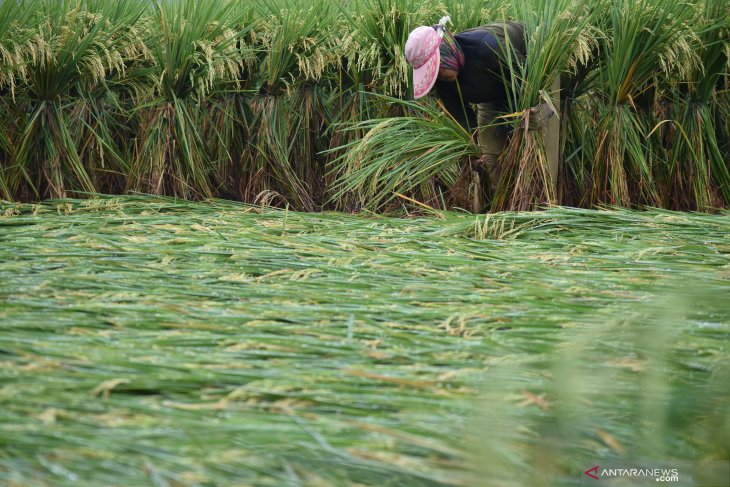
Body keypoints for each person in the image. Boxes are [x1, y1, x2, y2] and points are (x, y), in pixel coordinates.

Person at [404, 17, 560, 199]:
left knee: (541, 143)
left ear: (447, 52)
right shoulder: (443, 83)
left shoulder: (488, 48)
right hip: (491, 92)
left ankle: (548, 206)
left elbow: (540, 87)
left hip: (533, 73)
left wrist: (541, 112)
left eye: (438, 69)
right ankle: (500, 210)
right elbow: (464, 122)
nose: (437, 76)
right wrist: (471, 151)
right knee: (489, 159)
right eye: (432, 74)